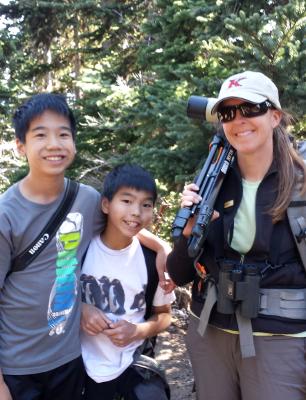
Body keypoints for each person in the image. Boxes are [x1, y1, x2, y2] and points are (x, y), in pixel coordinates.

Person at [0, 93, 172, 400]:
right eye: (40, 135)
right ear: (21, 146)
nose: (54, 144)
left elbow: (124, 224)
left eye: (63, 134)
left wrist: (160, 247)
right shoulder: (6, 215)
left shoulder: (87, 200)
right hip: (17, 366)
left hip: (69, 360)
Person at [167, 71, 306, 400]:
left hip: (281, 340)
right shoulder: (211, 183)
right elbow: (178, 273)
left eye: (250, 109)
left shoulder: (301, 186)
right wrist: (188, 235)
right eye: (228, 113)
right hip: (211, 334)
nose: (238, 120)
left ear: (274, 116)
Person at [80, 163, 175, 400]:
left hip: (131, 366)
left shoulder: (154, 260)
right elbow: (52, 295)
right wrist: (80, 309)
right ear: (105, 204)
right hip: (79, 366)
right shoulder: (80, 249)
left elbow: (164, 314)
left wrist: (137, 331)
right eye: (127, 201)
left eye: (146, 205)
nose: (136, 212)